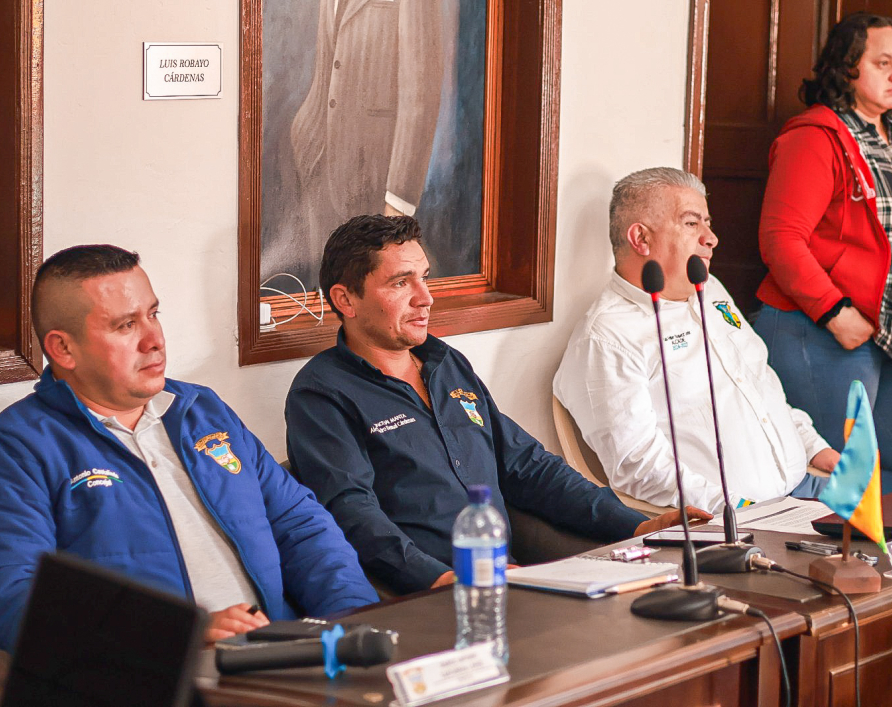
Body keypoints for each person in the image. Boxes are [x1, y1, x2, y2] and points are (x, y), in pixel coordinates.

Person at [285, 214, 710, 595]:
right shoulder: (322, 394)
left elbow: (528, 466)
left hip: (510, 578)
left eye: (424, 278)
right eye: (401, 283)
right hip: (421, 593)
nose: (425, 297)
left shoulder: (445, 363)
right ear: (345, 300)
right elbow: (351, 511)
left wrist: (637, 524)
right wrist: (438, 578)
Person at [0, 245, 378, 651]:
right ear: (63, 349)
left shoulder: (203, 409)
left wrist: (354, 619)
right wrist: (173, 634)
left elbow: (300, 524)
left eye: (153, 314)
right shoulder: (20, 446)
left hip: (279, 657)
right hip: (153, 677)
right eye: (126, 325)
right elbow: (15, 599)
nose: (154, 340)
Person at [554, 168, 840, 514]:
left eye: (707, 222)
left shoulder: (710, 290)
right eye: (692, 224)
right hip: (732, 518)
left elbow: (758, 382)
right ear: (641, 239)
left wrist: (814, 447)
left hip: (805, 485)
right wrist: (733, 508)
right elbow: (637, 464)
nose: (711, 237)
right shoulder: (607, 336)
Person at [753, 12, 892, 493]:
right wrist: (835, 311)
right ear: (847, 67)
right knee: (838, 478)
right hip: (821, 330)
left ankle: (879, 563)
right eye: (883, 62)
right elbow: (781, 238)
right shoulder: (814, 138)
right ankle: (820, 564)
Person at [263, 0, 444, 283]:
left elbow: (420, 92)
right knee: (330, 293)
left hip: (373, 176)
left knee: (383, 293)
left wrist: (398, 199)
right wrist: (308, 131)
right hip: (319, 163)